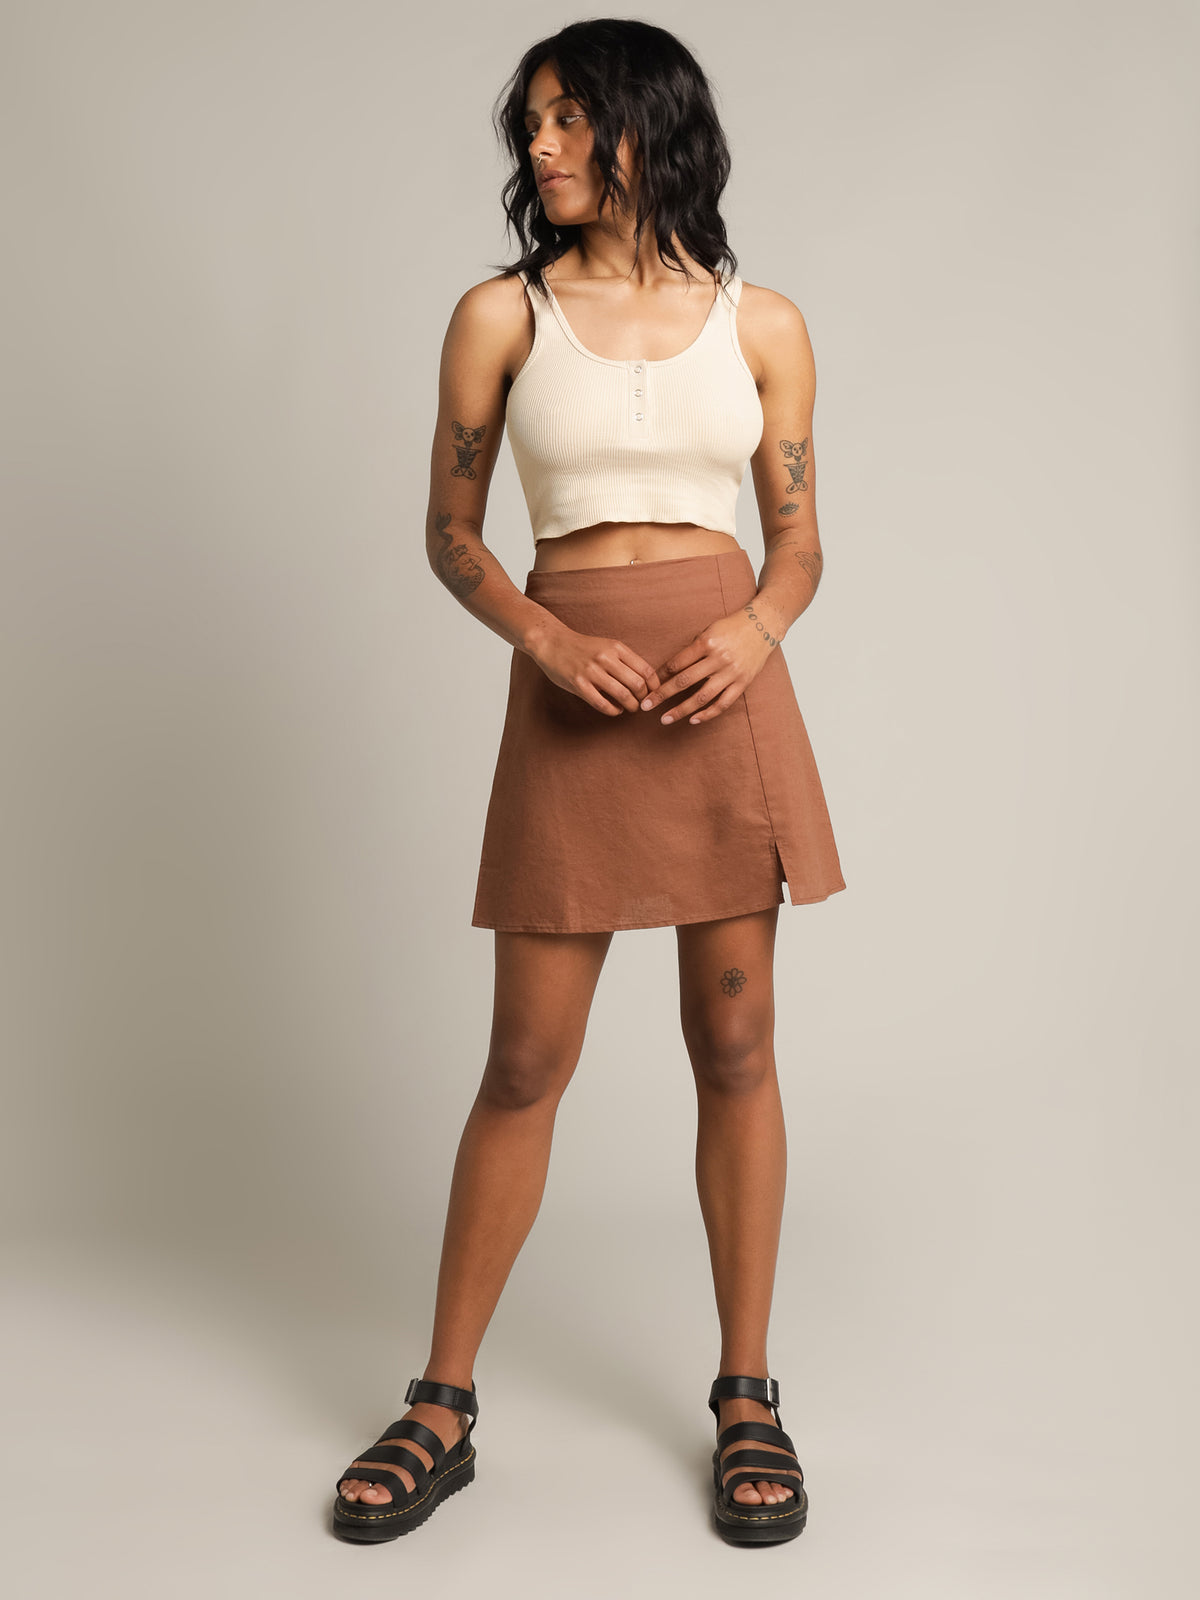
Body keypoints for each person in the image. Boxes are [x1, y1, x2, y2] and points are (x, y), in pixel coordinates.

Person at [332, 17, 845, 1547]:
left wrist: (755, 629)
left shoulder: (765, 325)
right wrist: (546, 641)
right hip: (572, 691)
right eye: (533, 123)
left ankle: (747, 1396)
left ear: (647, 128)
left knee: (736, 1044)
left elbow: (799, 542)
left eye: (568, 118)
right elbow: (450, 532)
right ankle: (441, 1402)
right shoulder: (501, 315)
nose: (539, 145)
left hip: (722, 692)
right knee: (524, 1062)